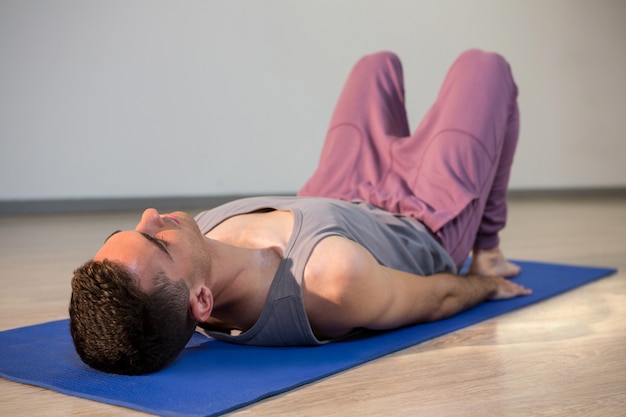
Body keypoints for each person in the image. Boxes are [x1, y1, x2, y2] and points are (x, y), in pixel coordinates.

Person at [69, 49, 531, 375]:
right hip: (420, 215)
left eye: (134, 228)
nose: (151, 215)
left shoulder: (191, 255)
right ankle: (489, 244)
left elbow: (136, 322)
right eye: (156, 240)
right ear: (203, 301)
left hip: (333, 190)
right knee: (485, 67)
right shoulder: (330, 281)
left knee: (376, 65)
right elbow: (438, 299)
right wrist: (483, 277)